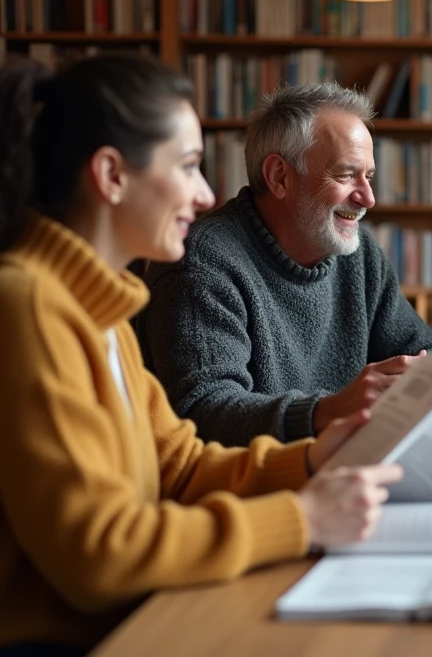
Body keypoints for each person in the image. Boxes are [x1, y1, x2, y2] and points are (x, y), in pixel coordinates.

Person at [0, 55, 401, 656]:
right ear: (111, 175)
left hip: (138, 618)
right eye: (188, 167)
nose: (207, 193)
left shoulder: (96, 306)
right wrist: (302, 517)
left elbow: (182, 468)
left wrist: (313, 459)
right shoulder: (29, 302)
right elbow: (99, 554)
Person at [138, 83, 432, 447]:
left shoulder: (358, 255)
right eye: (346, 175)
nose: (368, 198)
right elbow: (204, 412)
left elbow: (431, 352)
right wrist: (325, 412)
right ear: (279, 176)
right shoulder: (201, 262)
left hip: (337, 471)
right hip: (244, 491)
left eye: (369, 176)